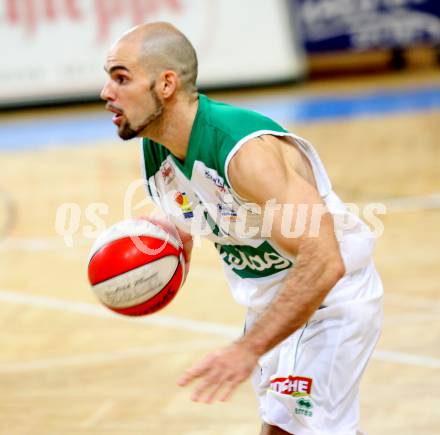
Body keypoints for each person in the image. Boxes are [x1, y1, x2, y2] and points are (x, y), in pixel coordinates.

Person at [100, 22, 383, 435]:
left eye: (121, 78)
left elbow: (324, 260)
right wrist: (166, 240)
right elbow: (196, 209)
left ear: (165, 85)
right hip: (271, 305)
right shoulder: (156, 147)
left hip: (328, 301)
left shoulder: (245, 152)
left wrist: (248, 348)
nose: (106, 93)